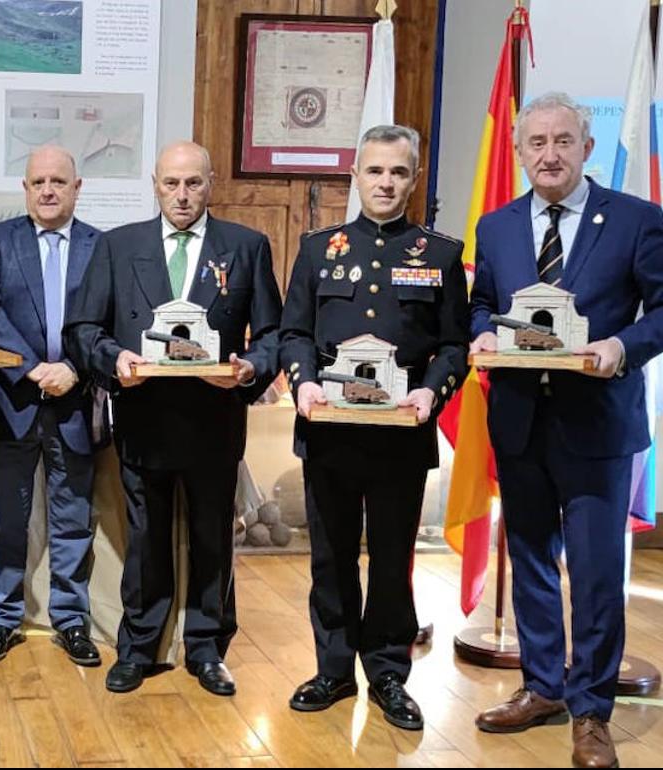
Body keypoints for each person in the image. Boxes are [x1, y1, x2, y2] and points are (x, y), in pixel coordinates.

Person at [469, 91, 663, 769]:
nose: (548, 155)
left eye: (562, 141)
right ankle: (543, 687)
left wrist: (624, 347)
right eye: (535, 143)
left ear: (587, 147)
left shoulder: (638, 221)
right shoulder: (495, 227)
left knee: (597, 572)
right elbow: (483, 305)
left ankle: (591, 710)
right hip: (519, 420)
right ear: (520, 152)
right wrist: (481, 336)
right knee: (529, 561)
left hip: (598, 424)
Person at [64, 140, 281, 696]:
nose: (182, 195)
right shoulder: (118, 246)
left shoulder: (246, 246)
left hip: (215, 420)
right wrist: (115, 359)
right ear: (155, 185)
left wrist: (248, 369)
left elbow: (274, 335)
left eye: (193, 183)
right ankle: (139, 649)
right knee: (146, 541)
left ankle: (208, 649)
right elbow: (84, 329)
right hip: (145, 418)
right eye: (171, 184)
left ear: (212, 184)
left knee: (214, 539)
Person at [279, 125, 469, 731]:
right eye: (374, 171)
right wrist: (303, 381)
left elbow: (454, 345)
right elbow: (295, 333)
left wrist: (429, 392)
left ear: (413, 180)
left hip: (401, 437)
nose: (385, 182)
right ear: (354, 177)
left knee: (392, 558)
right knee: (330, 557)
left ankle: (387, 671)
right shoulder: (318, 248)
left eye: (398, 172)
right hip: (330, 434)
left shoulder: (438, 254)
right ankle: (333, 668)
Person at [0, 145, 106, 667]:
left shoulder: (100, 246)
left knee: (72, 519)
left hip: (75, 399)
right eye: (37, 182)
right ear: (25, 189)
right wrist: (30, 368)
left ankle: (71, 620)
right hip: (12, 398)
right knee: (8, 520)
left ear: (76, 188)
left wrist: (73, 366)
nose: (47, 190)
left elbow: (104, 316)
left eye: (58, 182)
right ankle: (4, 618)